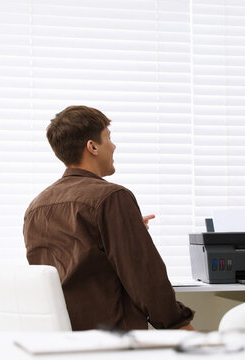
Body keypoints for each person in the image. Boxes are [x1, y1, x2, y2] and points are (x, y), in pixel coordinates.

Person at [23, 105, 194, 330]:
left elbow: (75, 263)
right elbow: (147, 281)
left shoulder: (36, 207)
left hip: (66, 342)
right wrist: (179, 326)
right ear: (92, 146)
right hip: (114, 339)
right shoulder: (112, 198)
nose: (114, 146)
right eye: (109, 138)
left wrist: (125, 229)